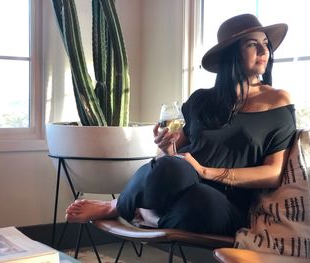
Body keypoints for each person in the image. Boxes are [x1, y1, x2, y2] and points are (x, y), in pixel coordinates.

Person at [65, 13, 296, 237]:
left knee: (202, 204)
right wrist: (166, 147)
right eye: (251, 44)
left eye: (265, 43)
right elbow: (173, 154)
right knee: (168, 166)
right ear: (230, 53)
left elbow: (273, 173)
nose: (264, 50)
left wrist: (206, 172)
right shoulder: (202, 100)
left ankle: (140, 214)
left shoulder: (277, 101)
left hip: (226, 203)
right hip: (182, 182)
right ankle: (121, 206)